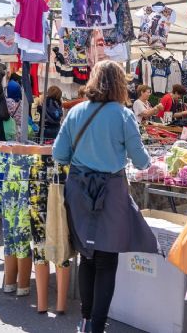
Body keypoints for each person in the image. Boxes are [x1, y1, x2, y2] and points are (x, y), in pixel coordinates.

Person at [53, 60, 156, 333]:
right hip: (110, 190)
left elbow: (58, 154)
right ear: (120, 83)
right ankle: (96, 327)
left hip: (79, 189)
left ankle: (86, 320)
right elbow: (141, 160)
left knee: (87, 256)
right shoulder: (123, 115)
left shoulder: (75, 113)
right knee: (107, 260)